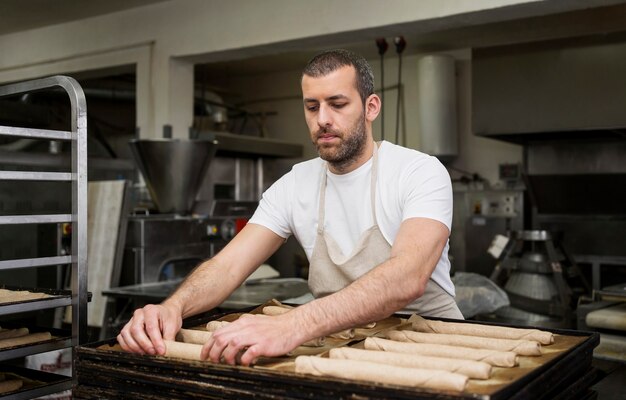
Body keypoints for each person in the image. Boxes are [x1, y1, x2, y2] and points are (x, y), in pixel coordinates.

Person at [118, 49, 462, 366]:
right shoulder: (295, 185)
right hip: (347, 348)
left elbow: (407, 277)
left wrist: (295, 323)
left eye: (337, 104)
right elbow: (227, 267)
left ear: (371, 107)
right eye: (312, 107)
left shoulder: (419, 172)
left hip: (430, 343)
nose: (322, 119)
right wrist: (172, 307)